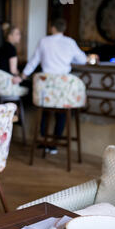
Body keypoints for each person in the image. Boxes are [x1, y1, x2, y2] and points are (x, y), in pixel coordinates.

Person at [21, 18, 87, 154]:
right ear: (64, 29)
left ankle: (44, 140)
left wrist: (23, 75)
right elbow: (83, 60)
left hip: (45, 90)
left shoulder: (44, 41)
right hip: (63, 91)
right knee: (62, 113)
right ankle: (54, 144)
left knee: (45, 111)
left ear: (52, 28)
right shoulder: (70, 42)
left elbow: (33, 62)